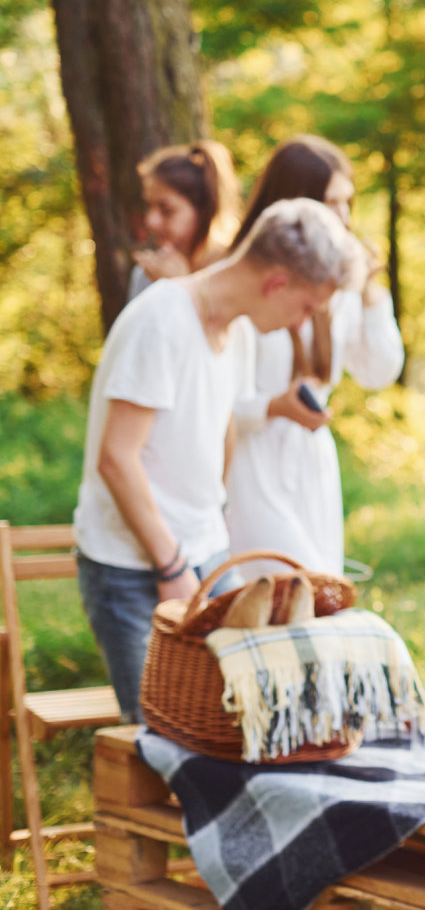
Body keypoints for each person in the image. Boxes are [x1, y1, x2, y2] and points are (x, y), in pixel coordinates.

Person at [74, 197, 358, 722]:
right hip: (134, 566)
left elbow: (221, 424)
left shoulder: (238, 329)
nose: (302, 323)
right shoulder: (161, 321)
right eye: (306, 307)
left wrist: (213, 522)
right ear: (277, 283)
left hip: (203, 551)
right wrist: (172, 564)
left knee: (244, 717)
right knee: (167, 734)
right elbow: (116, 458)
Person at [224, 136, 404, 579]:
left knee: (320, 590)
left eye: (348, 203)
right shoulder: (249, 285)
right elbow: (215, 404)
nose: (342, 217)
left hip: (311, 463)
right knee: (284, 585)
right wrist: (272, 408)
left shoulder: (337, 289)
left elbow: (379, 370)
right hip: (253, 462)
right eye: (329, 203)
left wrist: (370, 290)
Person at [128, 141, 241, 298]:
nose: (151, 221)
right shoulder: (146, 273)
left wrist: (181, 285)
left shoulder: (235, 271)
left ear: (204, 209)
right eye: (149, 206)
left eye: (167, 211)